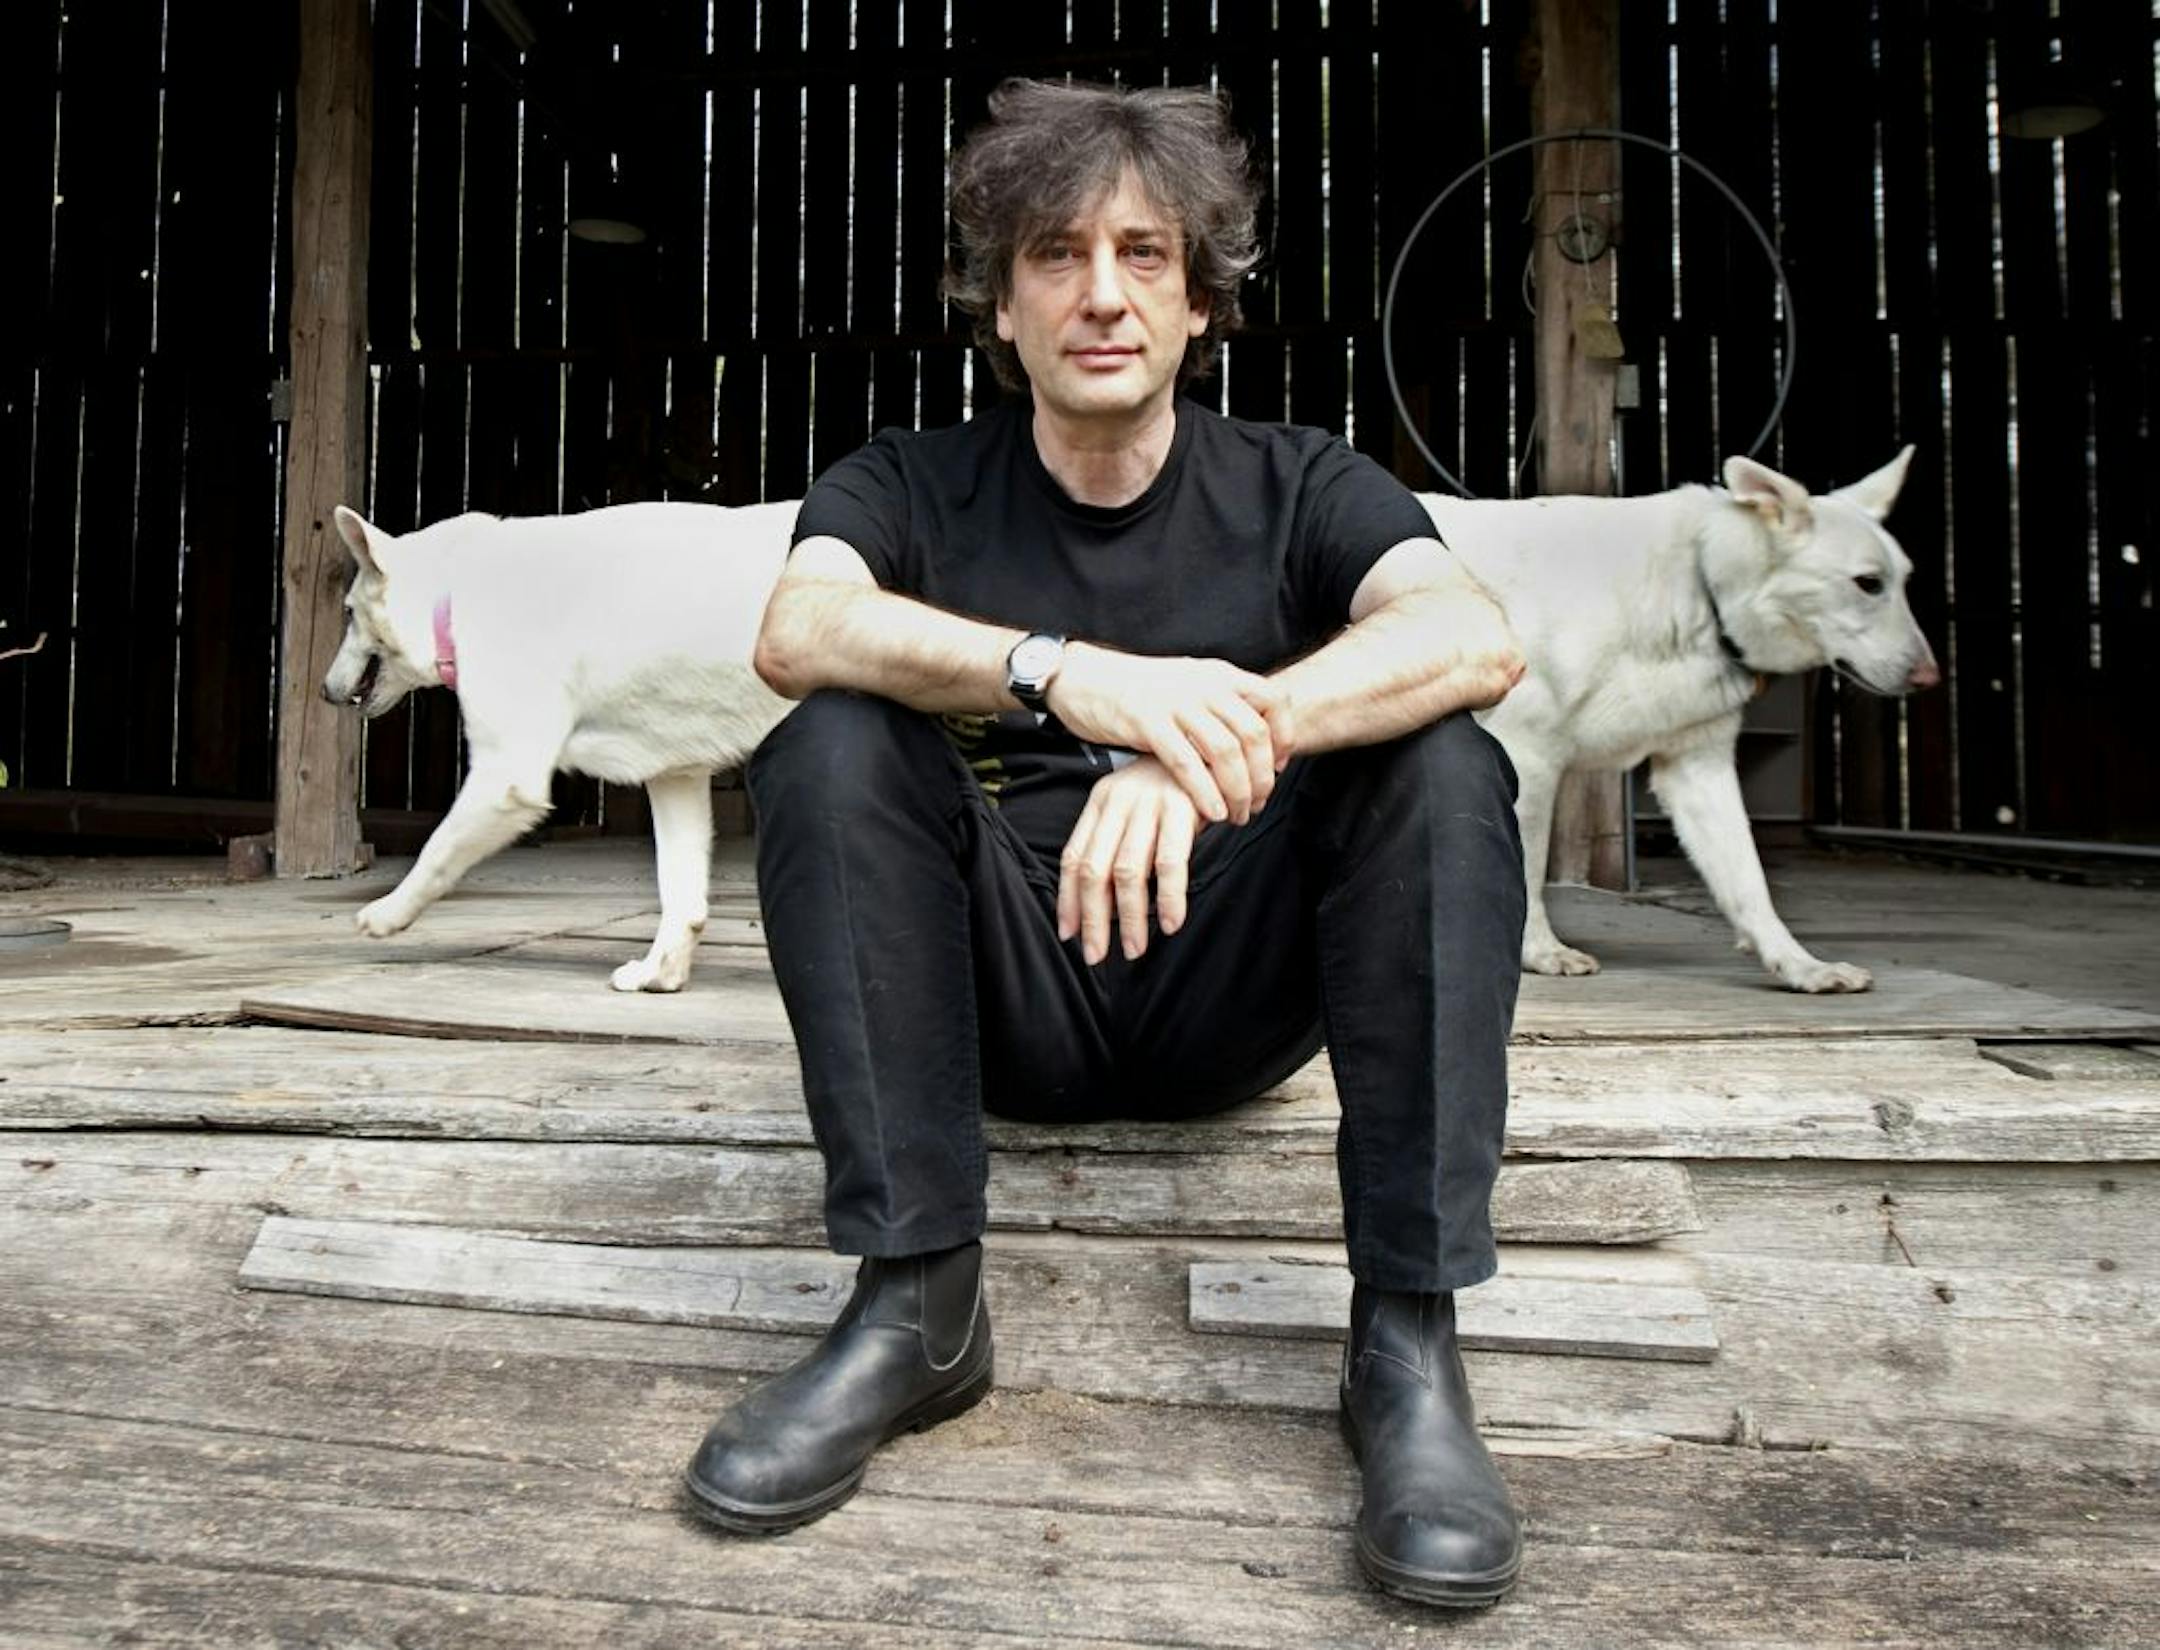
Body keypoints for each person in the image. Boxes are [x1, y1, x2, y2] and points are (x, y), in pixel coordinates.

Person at [685, 77, 1530, 1608]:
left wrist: (1205, 754)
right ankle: (918, 1306)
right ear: (999, 302)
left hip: (1231, 990)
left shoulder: (1303, 482)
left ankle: (1407, 1339)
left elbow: (1473, 634)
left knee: (1442, 756)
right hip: (1003, 997)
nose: (1101, 294)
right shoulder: (904, 483)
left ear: (1200, 300)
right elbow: (798, 629)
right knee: (828, 737)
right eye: (1056, 254)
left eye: (1145, 254)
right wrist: (1065, 673)